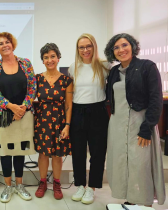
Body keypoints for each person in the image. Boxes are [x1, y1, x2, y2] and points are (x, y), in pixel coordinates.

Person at [104, 33, 165, 206]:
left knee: (140, 165)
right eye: (116, 47)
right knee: (122, 163)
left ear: (132, 46)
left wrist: (147, 128)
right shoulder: (114, 71)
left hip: (140, 125)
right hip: (118, 125)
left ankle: (145, 201)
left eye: (124, 45)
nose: (121, 50)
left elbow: (156, 100)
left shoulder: (147, 67)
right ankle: (130, 199)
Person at [0, 32, 36, 203]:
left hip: (23, 115)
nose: (5, 45)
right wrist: (10, 106)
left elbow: (32, 88)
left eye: (7, 42)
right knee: (5, 152)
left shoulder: (25, 63)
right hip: (4, 116)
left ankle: (19, 185)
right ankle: (8, 187)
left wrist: (23, 107)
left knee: (20, 151)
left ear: (12, 44)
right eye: (1, 43)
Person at [68, 33, 110, 204]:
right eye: (81, 47)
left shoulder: (105, 66)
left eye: (88, 46)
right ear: (77, 49)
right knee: (78, 152)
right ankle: (80, 185)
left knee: (97, 153)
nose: (85, 50)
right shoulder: (73, 67)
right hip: (78, 112)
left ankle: (92, 188)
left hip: (98, 112)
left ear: (94, 47)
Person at [34, 43, 73, 200]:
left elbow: (68, 105)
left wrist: (67, 126)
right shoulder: (37, 79)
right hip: (42, 121)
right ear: (42, 60)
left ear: (58, 58)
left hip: (59, 121)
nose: (49, 60)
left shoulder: (66, 80)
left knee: (57, 155)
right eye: (46, 57)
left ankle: (56, 183)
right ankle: (43, 182)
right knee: (43, 155)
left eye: (52, 56)